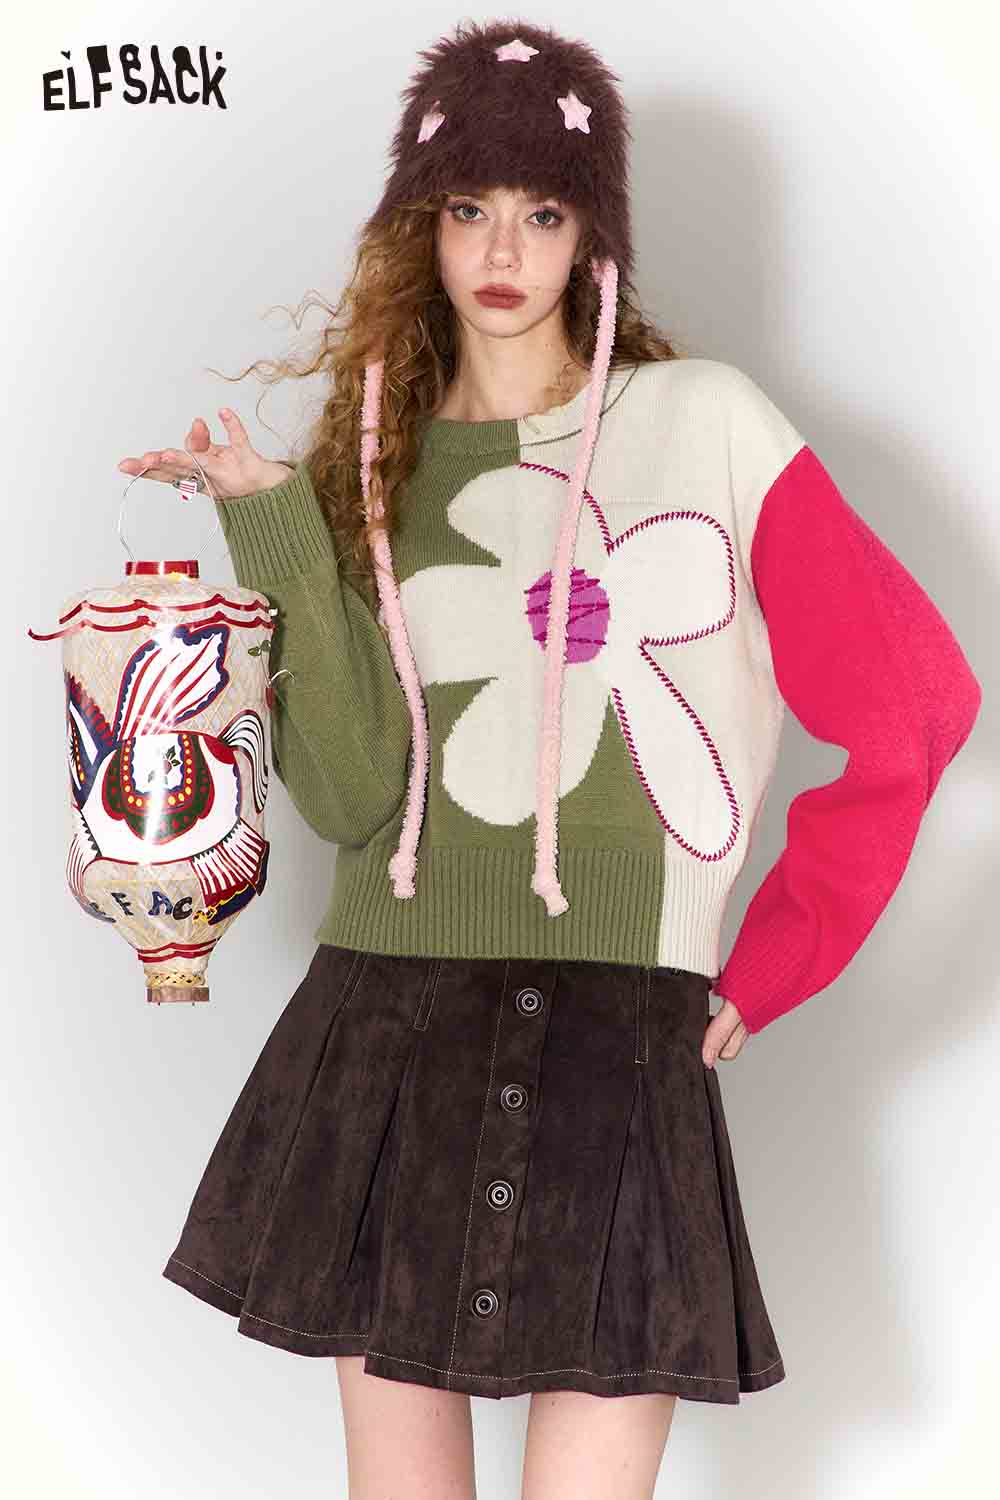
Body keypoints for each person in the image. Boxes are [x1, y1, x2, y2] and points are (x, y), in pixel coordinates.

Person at [117, 18, 981, 1499]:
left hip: (614, 1031)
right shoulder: (369, 466)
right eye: (468, 208)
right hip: (386, 1024)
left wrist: (782, 951)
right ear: (422, 224)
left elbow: (916, 701)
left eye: (543, 210)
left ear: (595, 236)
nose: (502, 249)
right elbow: (349, 797)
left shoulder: (705, 425)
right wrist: (270, 517)